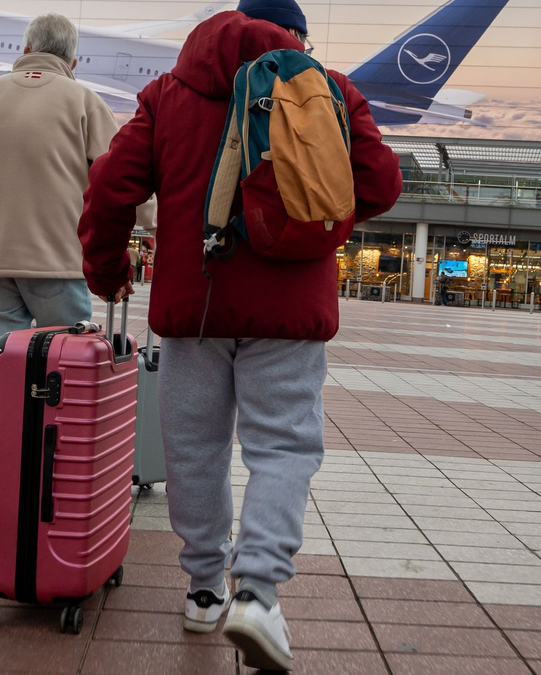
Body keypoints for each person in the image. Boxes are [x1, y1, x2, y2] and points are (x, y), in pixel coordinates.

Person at [77, 1, 401, 670]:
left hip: (194, 301)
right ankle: (258, 589)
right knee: (283, 444)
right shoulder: (329, 87)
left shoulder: (170, 91)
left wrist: (107, 271)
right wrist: (312, 214)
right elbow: (379, 183)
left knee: (193, 448)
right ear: (298, 37)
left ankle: (203, 590)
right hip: (291, 304)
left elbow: (111, 186)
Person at [0, 13, 150, 414]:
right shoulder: (84, 101)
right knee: (65, 362)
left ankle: (4, 460)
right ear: (73, 63)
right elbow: (116, 178)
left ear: (26, 50)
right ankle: (57, 461)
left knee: (3, 361)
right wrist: (158, 224)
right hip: (58, 262)